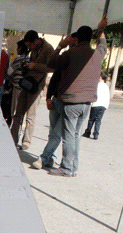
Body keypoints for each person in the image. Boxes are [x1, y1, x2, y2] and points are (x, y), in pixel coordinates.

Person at [47, 14, 107, 177]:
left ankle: (66, 168)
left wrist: (60, 46)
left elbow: (51, 63)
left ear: (77, 39)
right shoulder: (97, 54)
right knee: (76, 136)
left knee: (68, 136)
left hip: (71, 101)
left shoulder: (71, 53)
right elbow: (103, 44)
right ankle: (73, 168)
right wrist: (101, 31)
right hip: (87, 103)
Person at [32, 32, 79, 170]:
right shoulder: (64, 58)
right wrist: (48, 98)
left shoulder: (79, 63)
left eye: (72, 43)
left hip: (67, 104)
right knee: (53, 133)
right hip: (56, 101)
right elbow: (53, 79)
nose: (70, 47)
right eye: (69, 44)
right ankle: (52, 157)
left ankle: (43, 158)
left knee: (57, 135)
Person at [10, 30, 54, 150]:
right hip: (27, 82)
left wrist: (35, 66)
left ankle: (26, 142)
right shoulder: (34, 48)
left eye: (30, 45)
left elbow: (52, 68)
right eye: (28, 46)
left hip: (37, 85)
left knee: (31, 115)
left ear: (36, 40)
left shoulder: (48, 48)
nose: (29, 48)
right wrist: (26, 65)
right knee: (18, 113)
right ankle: (13, 139)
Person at [82, 71, 110, 140]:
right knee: (98, 120)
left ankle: (88, 132)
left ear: (100, 76)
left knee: (91, 119)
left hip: (95, 104)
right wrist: (106, 106)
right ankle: (96, 133)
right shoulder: (106, 87)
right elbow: (107, 97)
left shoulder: (96, 85)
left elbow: (93, 94)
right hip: (103, 105)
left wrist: (90, 102)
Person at [8, 40, 29, 120]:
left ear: (20, 48)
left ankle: (13, 126)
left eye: (17, 48)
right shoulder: (29, 59)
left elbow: (9, 72)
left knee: (14, 109)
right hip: (25, 88)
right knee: (21, 110)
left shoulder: (18, 59)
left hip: (17, 87)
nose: (17, 50)